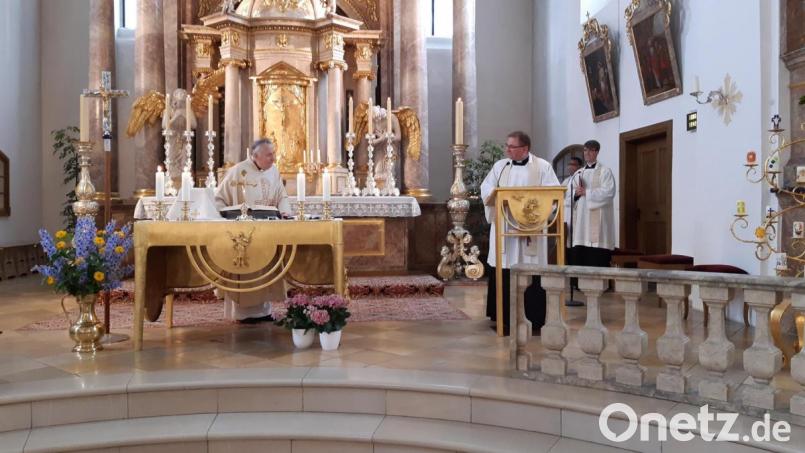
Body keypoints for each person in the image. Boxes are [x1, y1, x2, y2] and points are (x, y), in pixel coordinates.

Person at [480, 131, 561, 336]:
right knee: (505, 266)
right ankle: (504, 318)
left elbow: (554, 195)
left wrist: (530, 210)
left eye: (511, 146)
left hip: (531, 229)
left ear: (525, 148)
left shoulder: (542, 167)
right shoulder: (500, 166)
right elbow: (486, 187)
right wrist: (497, 197)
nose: (507, 149)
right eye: (506, 145)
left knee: (530, 267)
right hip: (505, 226)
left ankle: (534, 318)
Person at [214, 138, 291, 323]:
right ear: (255, 156)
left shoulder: (273, 171)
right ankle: (242, 313)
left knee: (265, 268)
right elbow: (219, 199)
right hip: (243, 233)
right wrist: (227, 218)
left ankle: (264, 311)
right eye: (269, 155)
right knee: (246, 269)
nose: (273, 158)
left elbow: (281, 195)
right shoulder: (238, 171)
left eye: (273, 154)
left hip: (267, 230)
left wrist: (285, 211)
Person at [567, 140, 616, 270]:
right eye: (585, 150)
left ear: (597, 152)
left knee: (596, 256)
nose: (587, 153)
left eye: (590, 150)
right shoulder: (578, 173)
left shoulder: (605, 171)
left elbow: (609, 192)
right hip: (580, 224)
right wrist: (576, 194)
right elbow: (568, 195)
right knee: (579, 255)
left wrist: (587, 192)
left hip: (598, 223)